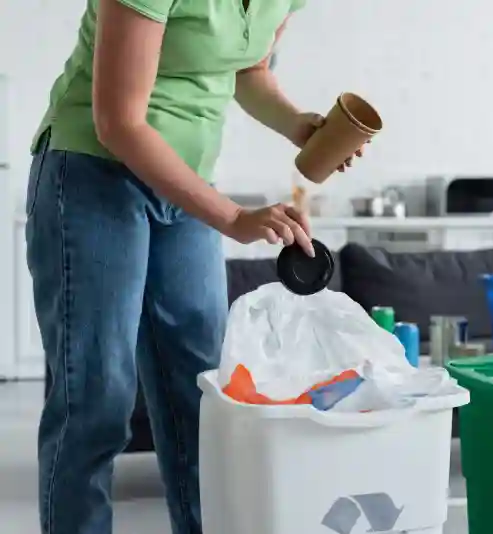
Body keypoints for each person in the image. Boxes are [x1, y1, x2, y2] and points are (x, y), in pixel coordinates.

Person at [25, 1, 362, 533]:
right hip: (92, 171)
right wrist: (230, 217)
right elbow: (118, 123)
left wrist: (297, 124)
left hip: (185, 179)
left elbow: (247, 69)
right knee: (96, 396)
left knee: (202, 392)